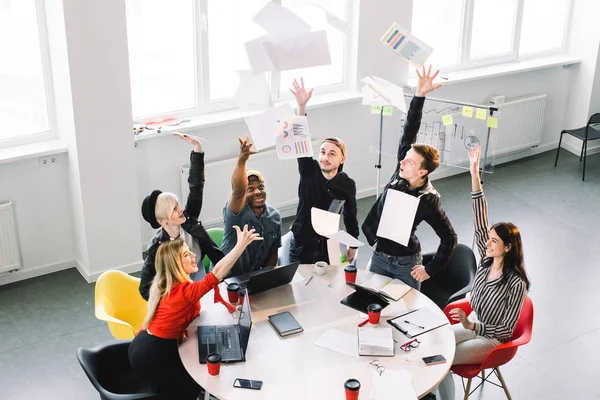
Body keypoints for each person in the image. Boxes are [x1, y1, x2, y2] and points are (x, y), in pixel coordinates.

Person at [437, 144, 530, 399]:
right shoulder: (488, 260)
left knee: (441, 360)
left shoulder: (515, 284)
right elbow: (480, 219)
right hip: (473, 323)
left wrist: (472, 325)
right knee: (436, 343)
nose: (487, 244)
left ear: (508, 248)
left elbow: (504, 331)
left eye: (494, 242)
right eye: (488, 240)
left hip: (491, 339)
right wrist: (474, 172)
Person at [129, 225, 262, 400]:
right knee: (192, 386)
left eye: (189, 251)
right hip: (151, 354)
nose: (194, 256)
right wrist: (240, 246)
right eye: (185, 255)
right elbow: (217, 273)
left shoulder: (172, 285)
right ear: (174, 264)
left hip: (148, 344)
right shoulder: (181, 293)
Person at [362, 66, 457, 290]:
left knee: (407, 311)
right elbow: (409, 129)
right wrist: (419, 95)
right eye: (404, 158)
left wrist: (429, 269)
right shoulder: (401, 172)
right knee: (369, 300)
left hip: (406, 264)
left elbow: (450, 237)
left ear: (423, 172)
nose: (402, 163)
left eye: (410, 162)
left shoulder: (428, 200)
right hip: (379, 256)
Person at [139, 133, 224, 301]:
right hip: (176, 287)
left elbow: (196, 187)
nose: (180, 209)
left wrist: (197, 150)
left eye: (177, 204)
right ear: (162, 221)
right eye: (173, 209)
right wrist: (169, 297)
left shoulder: (188, 220)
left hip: (199, 276)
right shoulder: (157, 247)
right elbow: (145, 289)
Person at [289, 78, 359, 265]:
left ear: (342, 159)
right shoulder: (309, 169)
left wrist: (353, 245)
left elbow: (350, 216)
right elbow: (300, 140)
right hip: (301, 243)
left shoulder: (347, 184)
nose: (325, 157)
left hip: (326, 244)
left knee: (327, 284)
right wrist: (301, 106)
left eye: (331, 154)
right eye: (322, 152)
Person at [221, 135, 282, 277]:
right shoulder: (236, 214)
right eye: (250, 189)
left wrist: (266, 277)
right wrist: (242, 160)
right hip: (226, 279)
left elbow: (273, 252)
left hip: (254, 278)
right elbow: (237, 192)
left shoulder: (275, 216)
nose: (258, 192)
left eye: (261, 187)